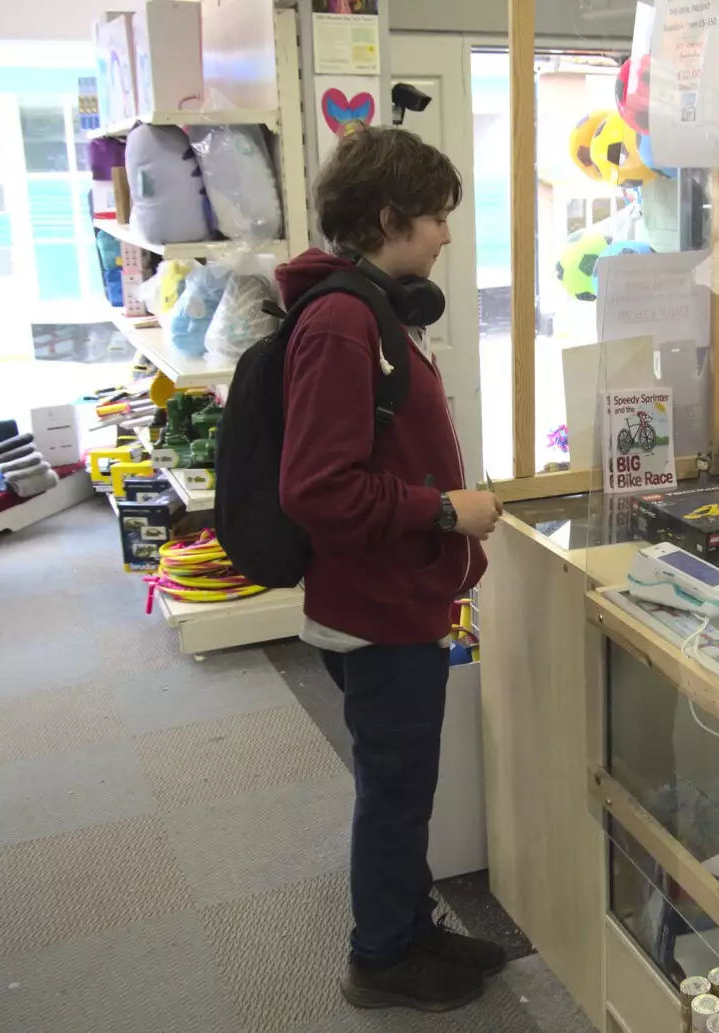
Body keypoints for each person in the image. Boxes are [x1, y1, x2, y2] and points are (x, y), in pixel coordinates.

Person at [275, 125, 505, 1011]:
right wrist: (446, 509)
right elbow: (320, 488)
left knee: (407, 781)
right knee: (396, 788)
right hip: (374, 604)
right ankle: (379, 956)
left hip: (399, 591)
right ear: (387, 218)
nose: (447, 233)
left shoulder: (372, 310)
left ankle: (410, 929)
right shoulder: (342, 323)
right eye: (436, 217)